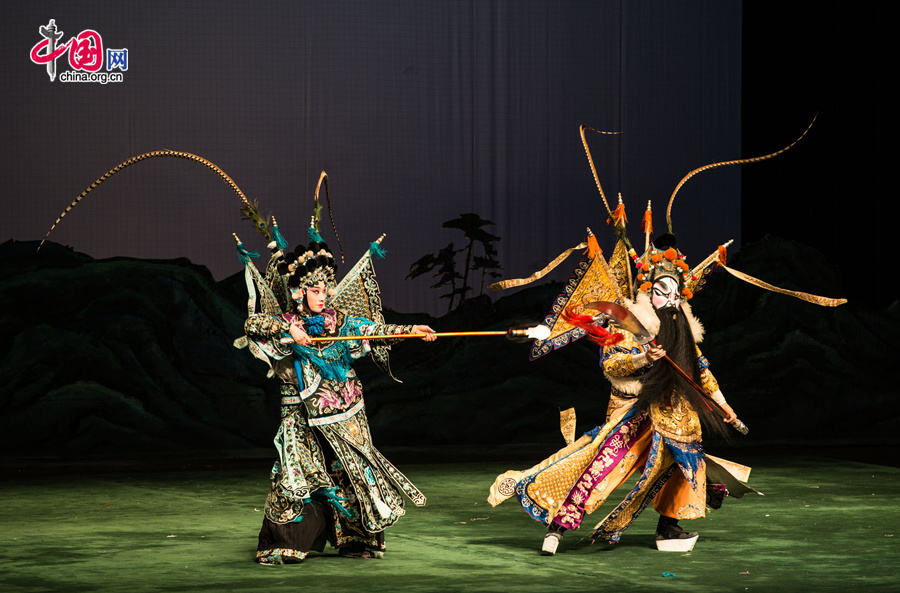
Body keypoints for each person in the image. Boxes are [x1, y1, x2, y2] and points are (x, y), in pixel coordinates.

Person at [489, 235, 745, 555]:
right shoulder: (627, 325)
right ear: (648, 291)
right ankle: (559, 526)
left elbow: (700, 370)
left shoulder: (680, 330)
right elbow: (614, 363)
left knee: (686, 463)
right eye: (661, 290)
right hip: (630, 410)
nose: (668, 297)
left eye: (674, 292)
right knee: (604, 465)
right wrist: (643, 358)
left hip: (672, 412)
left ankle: (669, 529)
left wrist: (723, 405)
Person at [243, 236, 436, 564]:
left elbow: (374, 330)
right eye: (315, 291)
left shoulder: (340, 321)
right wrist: (288, 333)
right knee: (297, 475)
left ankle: (357, 540)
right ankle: (286, 543)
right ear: (300, 291)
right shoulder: (288, 322)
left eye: (325, 290)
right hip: (299, 415)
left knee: (349, 470)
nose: (322, 296)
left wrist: (410, 329)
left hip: (342, 412)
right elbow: (252, 324)